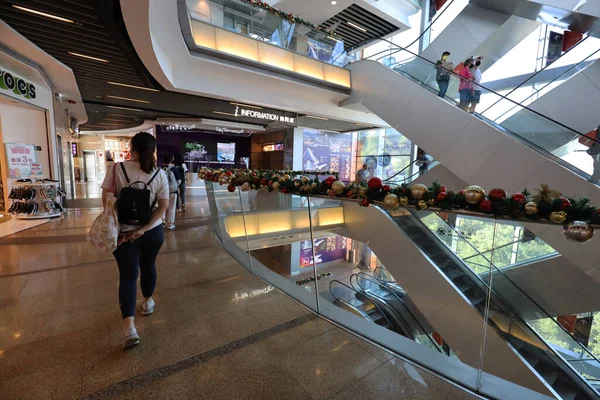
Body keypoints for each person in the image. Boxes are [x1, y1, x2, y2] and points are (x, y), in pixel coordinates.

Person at [101, 132, 169, 349]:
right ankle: (147, 302)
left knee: (128, 277)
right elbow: (163, 206)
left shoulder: (116, 169)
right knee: (148, 266)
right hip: (152, 232)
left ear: (133, 149)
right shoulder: (159, 174)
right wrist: (145, 228)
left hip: (123, 233)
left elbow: (106, 202)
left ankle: (129, 328)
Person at [162, 153, 178, 230]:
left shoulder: (160, 169)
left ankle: (162, 222)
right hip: (173, 192)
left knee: (162, 207)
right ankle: (170, 224)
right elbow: (179, 181)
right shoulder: (174, 169)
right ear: (171, 160)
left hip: (163, 192)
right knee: (171, 207)